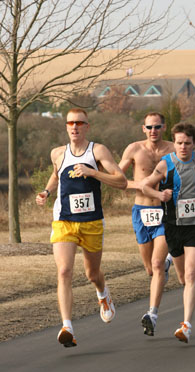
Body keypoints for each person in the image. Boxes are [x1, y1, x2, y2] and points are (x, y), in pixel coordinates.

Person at [36, 108, 127, 348]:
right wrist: (46, 191)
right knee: (64, 271)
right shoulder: (57, 153)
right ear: (66, 127)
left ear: (87, 126)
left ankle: (102, 294)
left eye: (79, 123)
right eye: (70, 123)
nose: (74, 127)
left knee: (92, 274)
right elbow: (56, 176)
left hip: (92, 222)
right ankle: (67, 326)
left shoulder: (97, 151)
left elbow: (121, 181)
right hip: (64, 220)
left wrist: (93, 172)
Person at [142, 122, 195, 343]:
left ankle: (186, 325)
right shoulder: (165, 164)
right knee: (181, 278)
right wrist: (159, 196)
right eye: (179, 143)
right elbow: (145, 186)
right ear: (174, 144)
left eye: (187, 143)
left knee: (190, 274)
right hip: (173, 226)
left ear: (194, 143)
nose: (183, 147)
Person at [119, 112, 174, 336]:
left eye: (158, 127)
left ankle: (152, 314)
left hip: (165, 211)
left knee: (158, 263)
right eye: (150, 127)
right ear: (143, 128)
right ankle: (164, 267)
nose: (154, 131)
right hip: (141, 211)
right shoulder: (133, 149)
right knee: (150, 269)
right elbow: (117, 178)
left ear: (164, 127)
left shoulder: (173, 149)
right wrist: (140, 185)